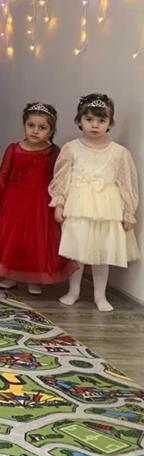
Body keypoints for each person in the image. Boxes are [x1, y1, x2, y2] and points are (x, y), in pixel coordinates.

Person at [50, 94, 139, 312]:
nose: (95, 125)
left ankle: (100, 295)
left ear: (110, 123)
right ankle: (74, 291)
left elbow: (127, 184)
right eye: (89, 119)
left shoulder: (119, 153)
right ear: (79, 120)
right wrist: (59, 203)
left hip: (107, 209)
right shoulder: (71, 148)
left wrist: (128, 213)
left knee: (102, 253)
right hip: (79, 207)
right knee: (77, 252)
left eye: (101, 120)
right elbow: (61, 178)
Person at [0, 102, 72, 295]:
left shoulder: (53, 152)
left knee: (35, 242)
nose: (35, 131)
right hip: (14, 201)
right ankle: (10, 276)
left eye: (42, 127)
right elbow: (3, 174)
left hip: (40, 204)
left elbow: (59, 178)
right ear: (24, 125)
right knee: (12, 241)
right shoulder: (14, 148)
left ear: (51, 131)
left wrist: (60, 200)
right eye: (31, 125)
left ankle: (34, 278)